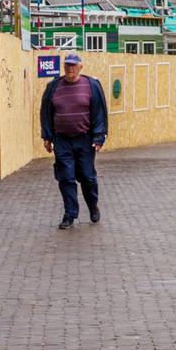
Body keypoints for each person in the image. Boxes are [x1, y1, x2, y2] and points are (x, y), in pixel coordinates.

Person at [39, 53, 109, 229]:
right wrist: (47, 136)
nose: (70, 68)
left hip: (85, 139)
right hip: (62, 140)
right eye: (67, 65)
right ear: (64, 67)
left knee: (87, 177)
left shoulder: (91, 86)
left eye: (73, 65)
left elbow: (100, 112)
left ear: (80, 67)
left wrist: (99, 136)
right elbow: (46, 113)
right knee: (66, 178)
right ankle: (69, 215)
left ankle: (92, 205)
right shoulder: (53, 87)